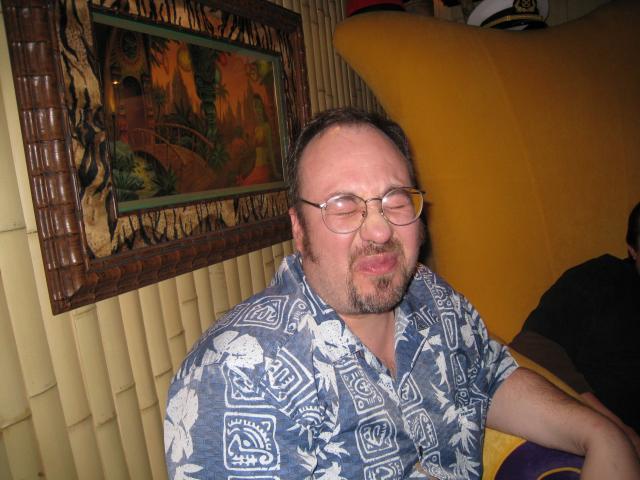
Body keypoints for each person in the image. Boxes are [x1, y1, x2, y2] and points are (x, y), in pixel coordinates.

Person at [164, 108, 640, 479]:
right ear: (299, 229)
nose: (378, 230)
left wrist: (599, 432)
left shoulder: (429, 295)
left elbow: (488, 377)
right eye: (343, 205)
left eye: (395, 200)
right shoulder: (238, 376)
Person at [511, 201, 640, 453]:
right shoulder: (601, 279)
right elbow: (531, 348)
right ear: (632, 249)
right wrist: (618, 431)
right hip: (599, 441)